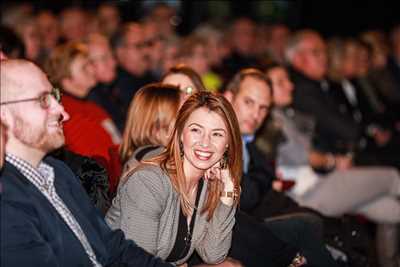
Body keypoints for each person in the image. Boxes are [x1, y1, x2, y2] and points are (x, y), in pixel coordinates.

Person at [0, 59, 174, 267]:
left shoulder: (58, 171)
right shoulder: (5, 195)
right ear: (4, 115)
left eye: (54, 97)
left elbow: (112, 247)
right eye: (43, 100)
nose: (63, 113)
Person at [259, 63, 400, 267]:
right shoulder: (272, 121)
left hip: (318, 185)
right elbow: (304, 157)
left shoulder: (285, 116)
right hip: (307, 195)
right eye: (281, 82)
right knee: (393, 177)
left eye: (287, 80)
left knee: (393, 211)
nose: (290, 86)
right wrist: (335, 161)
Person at [106, 92, 242, 266]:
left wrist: (229, 191)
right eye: (196, 130)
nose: (205, 143)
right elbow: (137, 262)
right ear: (179, 134)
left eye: (217, 134)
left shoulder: (210, 183)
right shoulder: (148, 182)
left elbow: (213, 254)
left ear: (228, 143)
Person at [223, 68, 337, 267]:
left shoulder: (248, 141)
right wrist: (263, 180)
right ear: (228, 97)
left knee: (320, 224)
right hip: (234, 230)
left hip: (254, 219)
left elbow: (262, 181)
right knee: (308, 225)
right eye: (248, 102)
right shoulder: (218, 136)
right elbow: (247, 194)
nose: (255, 114)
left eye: (263, 108)